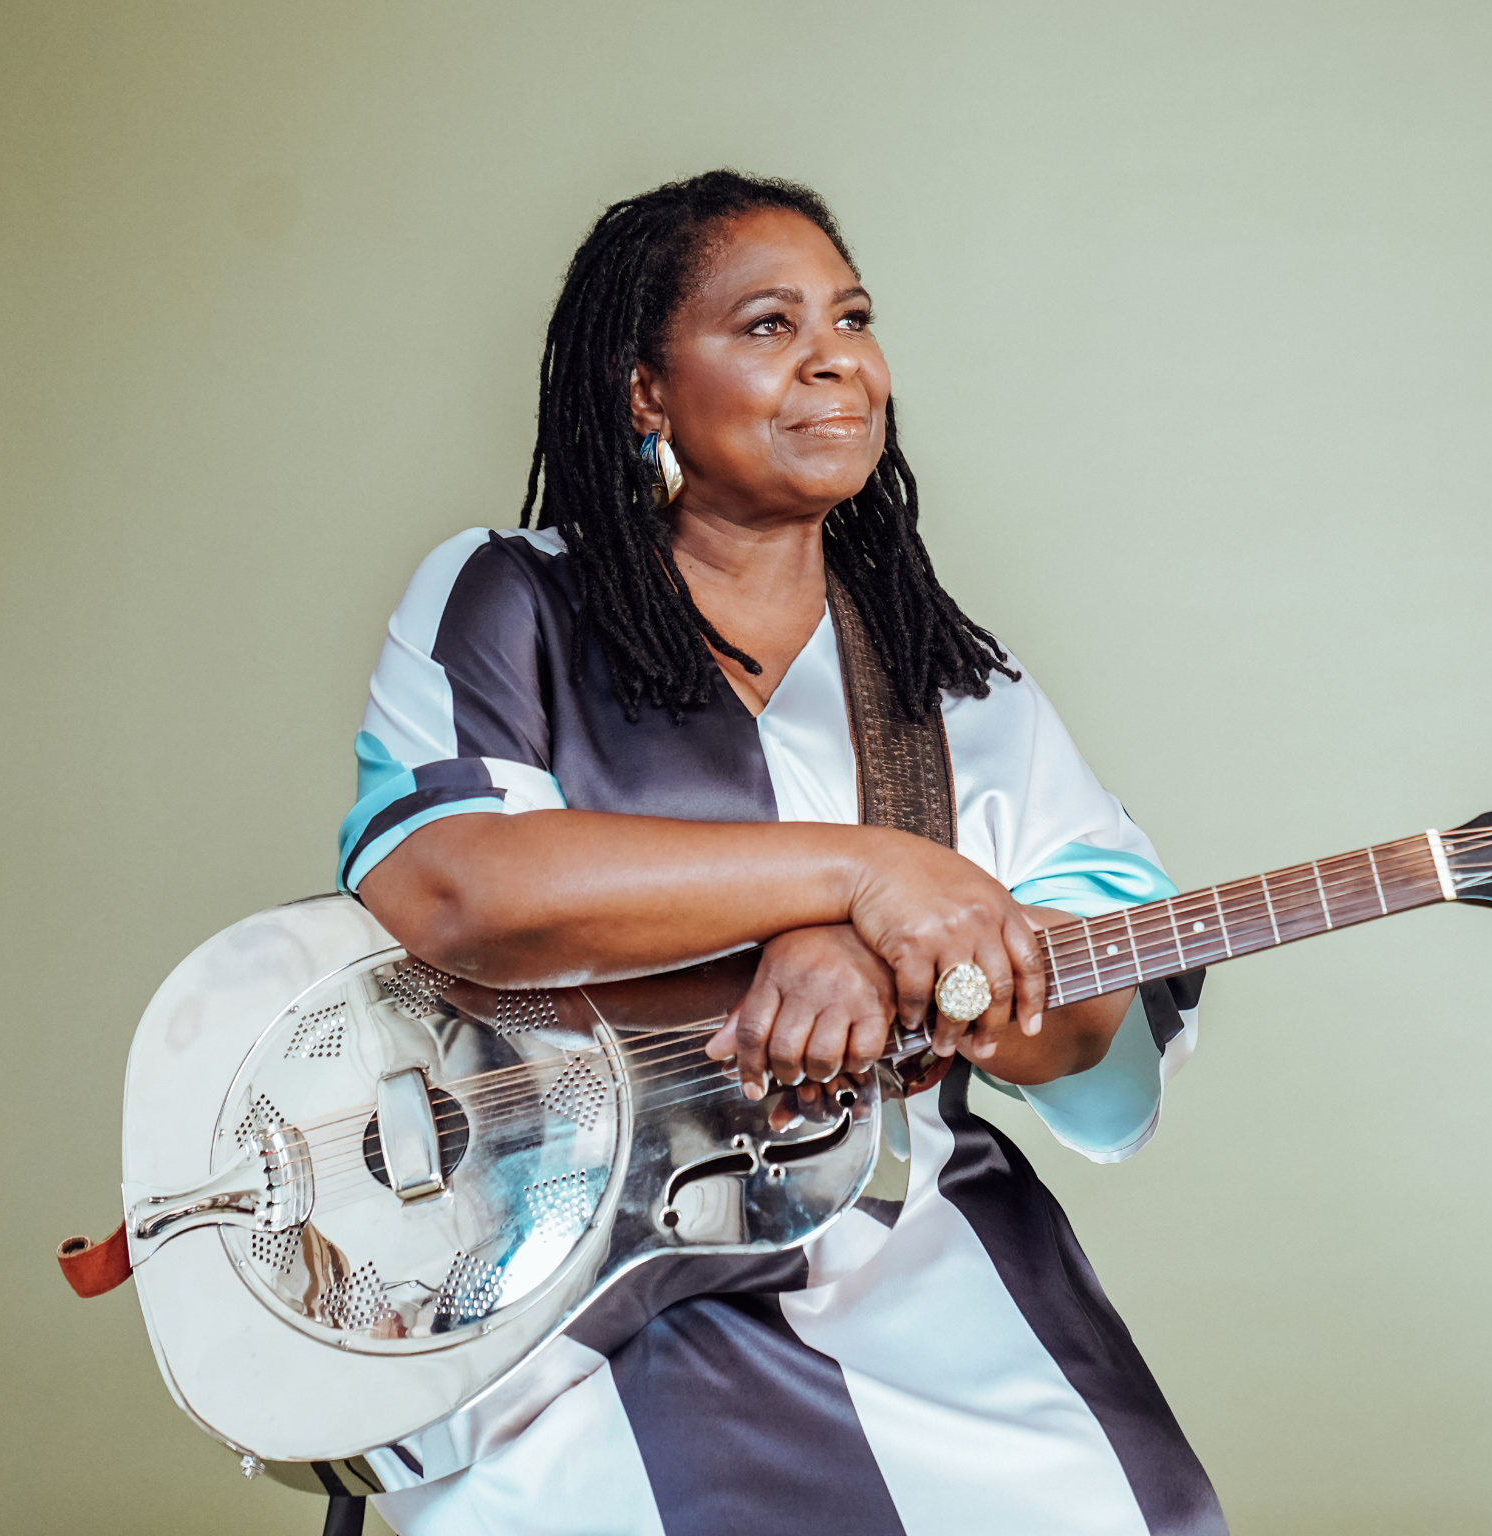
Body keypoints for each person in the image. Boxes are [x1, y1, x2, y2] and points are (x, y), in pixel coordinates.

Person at [341, 170, 1224, 1536]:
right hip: (569, 1281)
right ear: (645, 390)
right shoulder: (513, 600)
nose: (834, 359)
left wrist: (929, 973)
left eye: (852, 319)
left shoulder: (953, 682)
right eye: (768, 325)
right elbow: (456, 886)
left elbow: (1086, 1040)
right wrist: (859, 882)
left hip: (910, 1245)